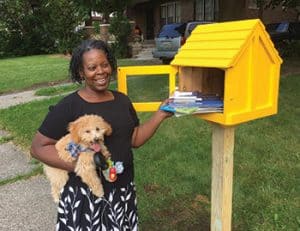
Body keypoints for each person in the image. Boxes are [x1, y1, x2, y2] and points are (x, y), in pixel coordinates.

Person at [30, 39, 172, 230]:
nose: (100, 71)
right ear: (81, 72)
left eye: (105, 65)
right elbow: (38, 148)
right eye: (92, 67)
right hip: (85, 194)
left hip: (122, 189)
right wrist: (81, 165)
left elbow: (134, 139)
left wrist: (160, 115)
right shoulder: (69, 106)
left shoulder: (122, 101)